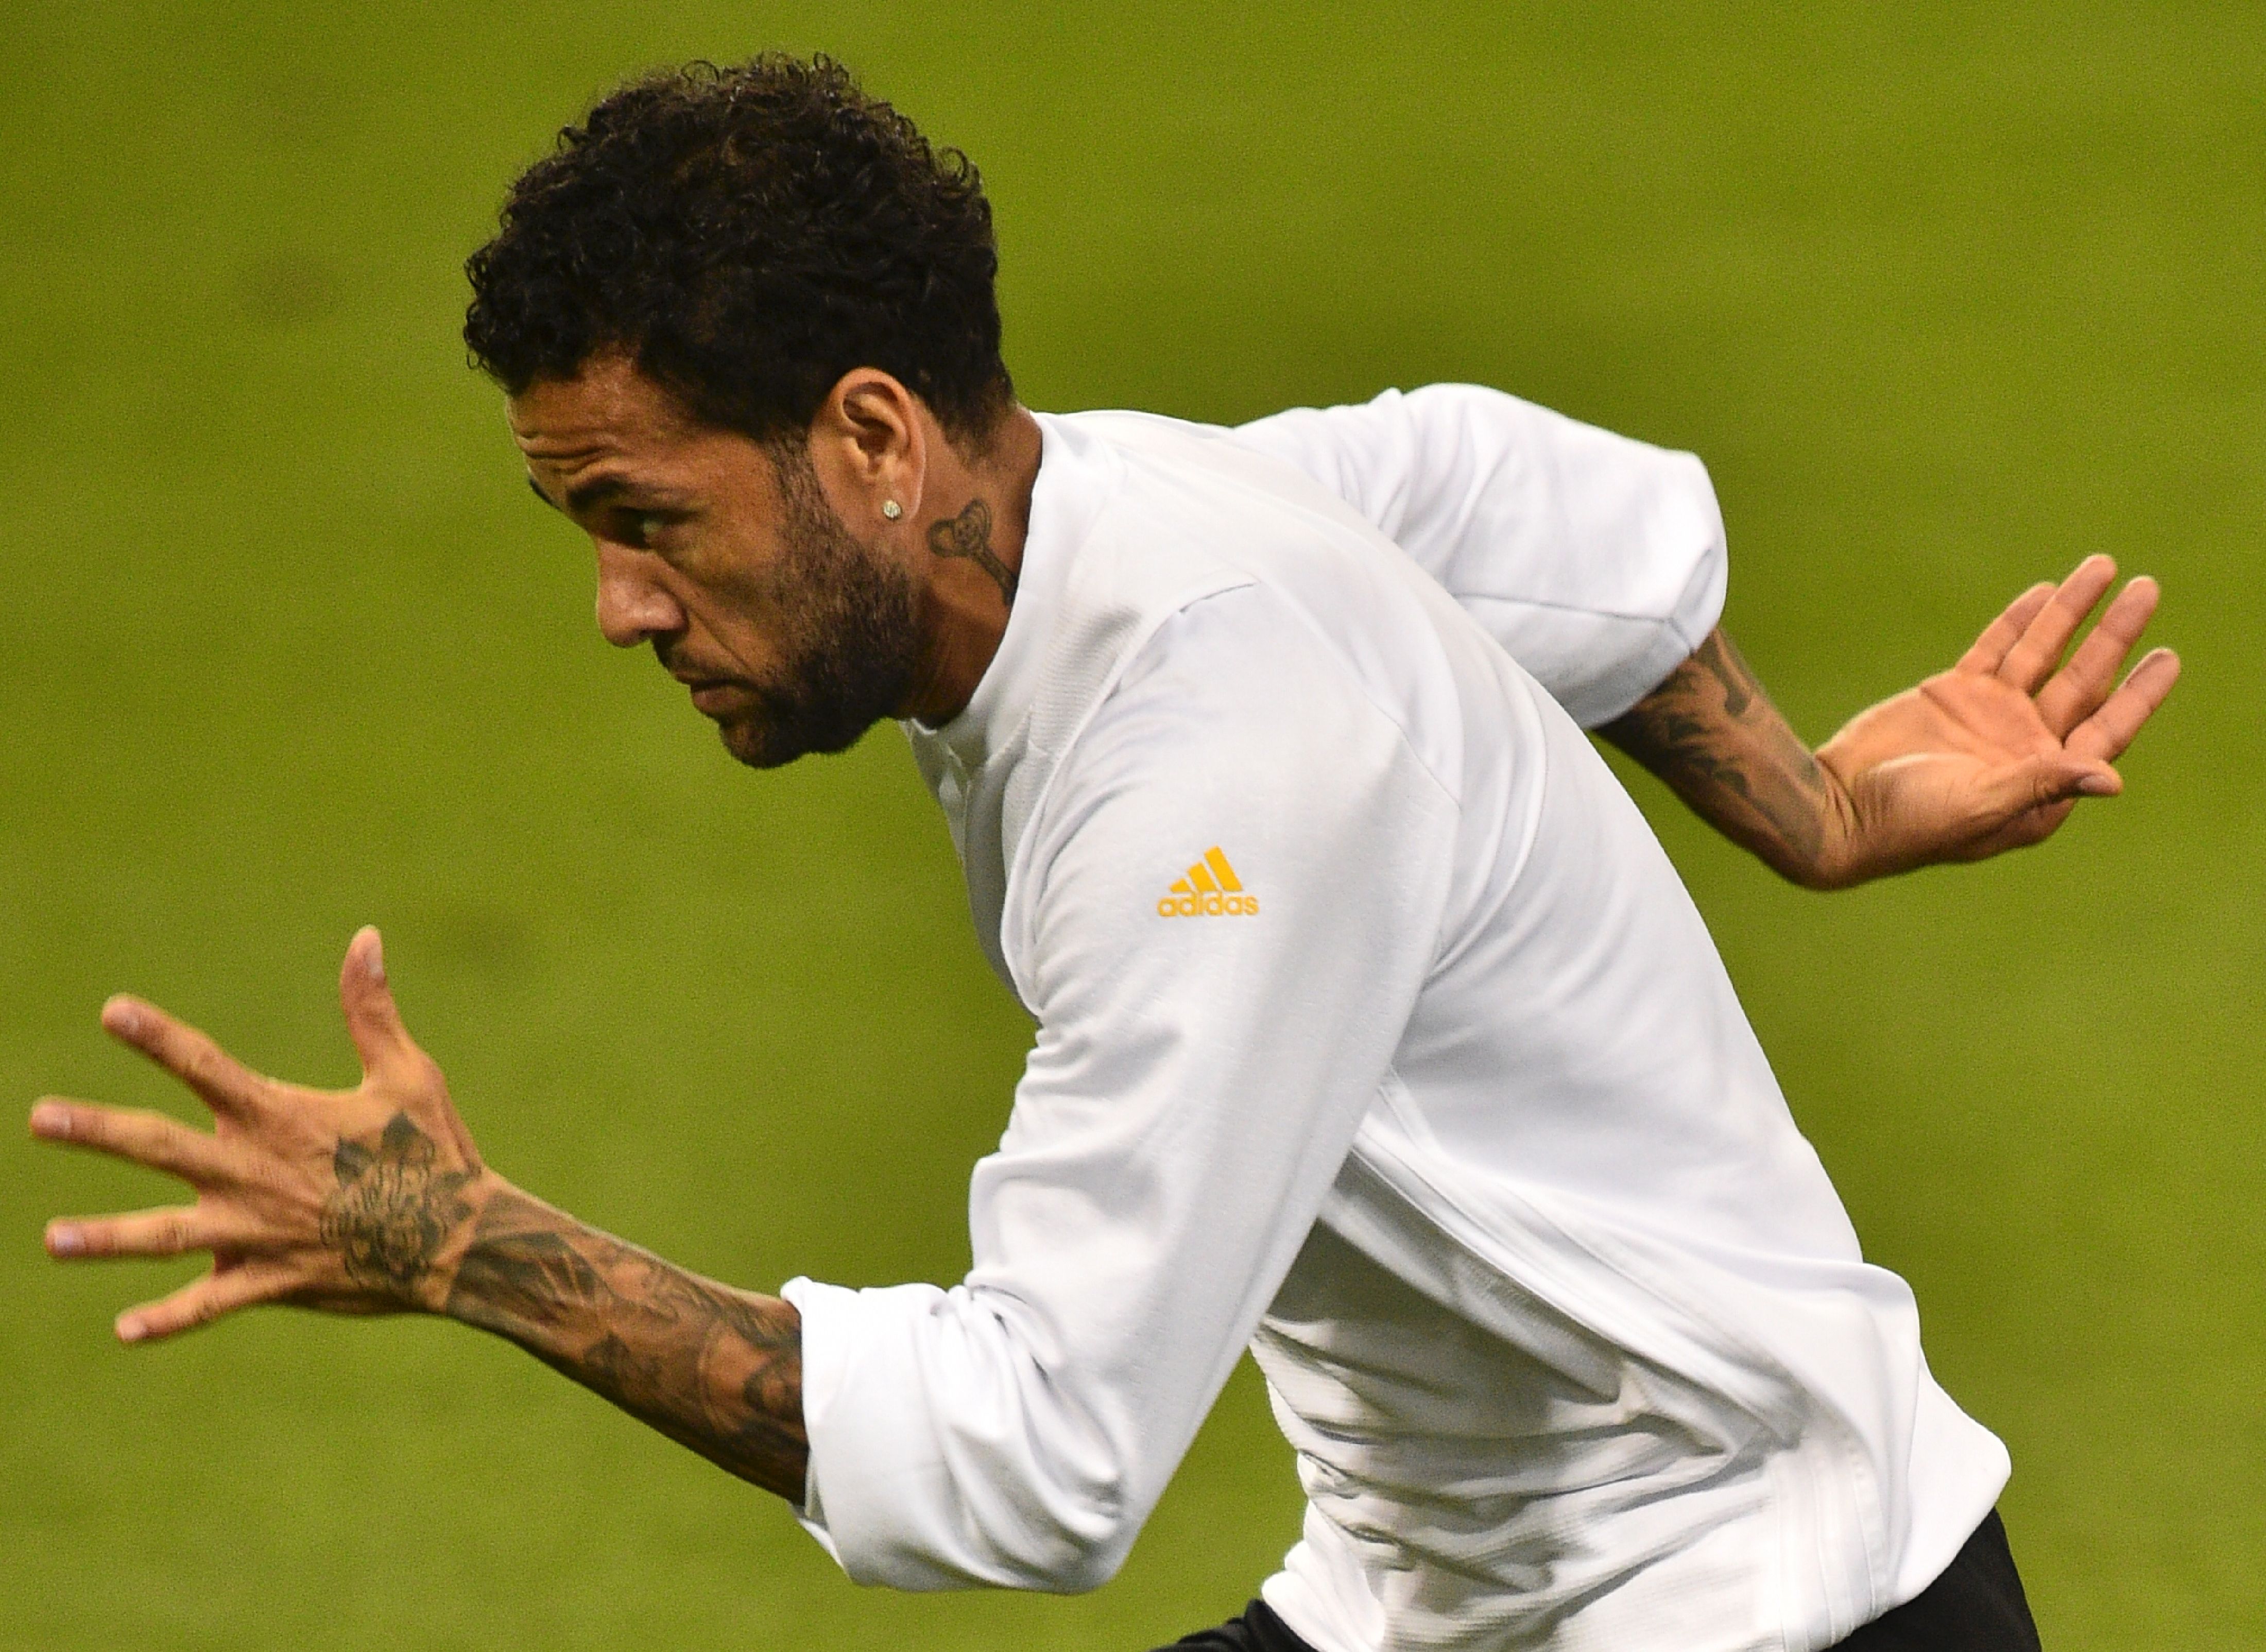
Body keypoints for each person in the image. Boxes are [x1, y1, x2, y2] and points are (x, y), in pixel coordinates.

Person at [31, 56, 2177, 1652]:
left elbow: (1038, 1455)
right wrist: (1808, 809)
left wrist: (472, 1248)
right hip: (1447, 1590)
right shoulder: (1146, 508)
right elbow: (1533, 510)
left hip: (1746, 1602)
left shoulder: (1215, 771)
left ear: (872, 442)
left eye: (643, 518)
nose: (615, 604)